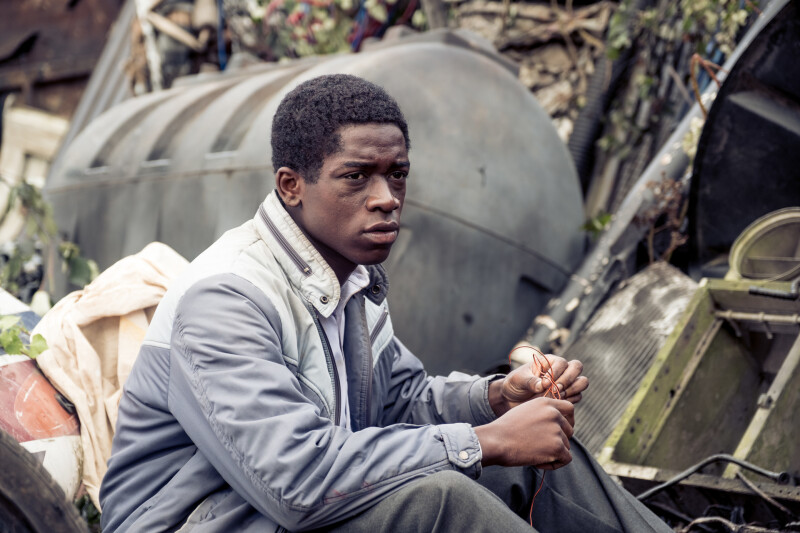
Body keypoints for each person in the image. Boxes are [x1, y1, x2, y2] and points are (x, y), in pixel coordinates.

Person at [100, 74, 671, 533]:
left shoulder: (350, 278)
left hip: (283, 513)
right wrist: (488, 441)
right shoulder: (227, 298)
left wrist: (496, 400)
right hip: (211, 521)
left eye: (397, 175)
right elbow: (295, 483)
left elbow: (401, 405)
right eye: (357, 177)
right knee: (442, 499)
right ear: (291, 185)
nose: (386, 199)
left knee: (535, 466)